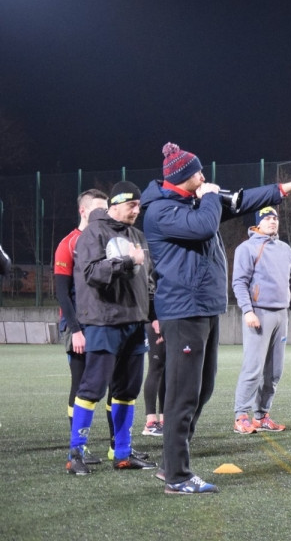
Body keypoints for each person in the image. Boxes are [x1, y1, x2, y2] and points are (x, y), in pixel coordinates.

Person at [141, 142, 291, 494]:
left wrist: (284, 189)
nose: (205, 176)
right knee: (182, 395)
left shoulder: (194, 201)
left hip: (205, 308)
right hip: (183, 310)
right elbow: (202, 227)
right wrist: (210, 196)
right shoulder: (162, 210)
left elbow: (241, 201)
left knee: (203, 388)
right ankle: (177, 476)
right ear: (184, 177)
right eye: (199, 172)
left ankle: (170, 464)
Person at [66, 182, 157, 475]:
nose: (137, 210)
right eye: (132, 205)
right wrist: (128, 260)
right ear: (115, 204)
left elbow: (148, 279)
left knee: (127, 390)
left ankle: (122, 453)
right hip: (104, 321)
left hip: (135, 323)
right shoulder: (93, 233)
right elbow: (92, 273)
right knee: (93, 387)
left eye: (139, 206)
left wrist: (154, 314)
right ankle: (75, 453)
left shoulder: (137, 235)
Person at [231, 206, 291, 434]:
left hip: (281, 314)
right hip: (259, 314)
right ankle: (241, 415)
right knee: (253, 368)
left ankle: (261, 415)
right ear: (258, 223)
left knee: (274, 372)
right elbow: (239, 282)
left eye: (275, 218)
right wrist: (247, 310)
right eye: (267, 218)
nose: (272, 221)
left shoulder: (284, 249)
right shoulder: (247, 248)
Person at [54, 189, 110, 464]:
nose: (103, 215)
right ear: (83, 211)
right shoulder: (69, 243)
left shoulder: (107, 240)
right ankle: (77, 448)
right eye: (98, 210)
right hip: (78, 325)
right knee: (81, 384)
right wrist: (75, 329)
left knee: (110, 382)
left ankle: (117, 446)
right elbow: (62, 293)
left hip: (103, 323)